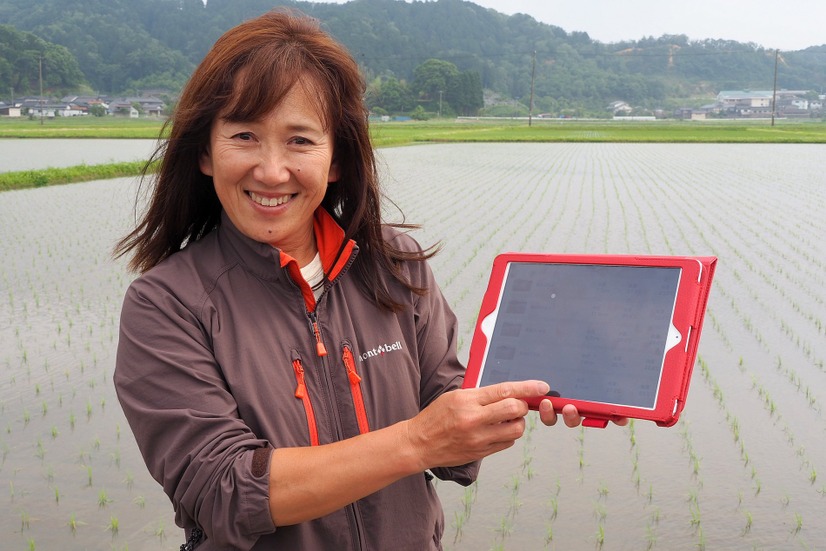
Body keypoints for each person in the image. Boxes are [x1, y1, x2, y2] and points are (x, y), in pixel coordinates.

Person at [113, 10, 613, 550]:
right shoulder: (167, 305)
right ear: (205, 154)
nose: (272, 170)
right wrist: (420, 440)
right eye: (244, 135)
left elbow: (446, 406)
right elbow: (225, 491)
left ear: (336, 162)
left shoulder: (394, 263)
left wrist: (519, 392)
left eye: (301, 141)